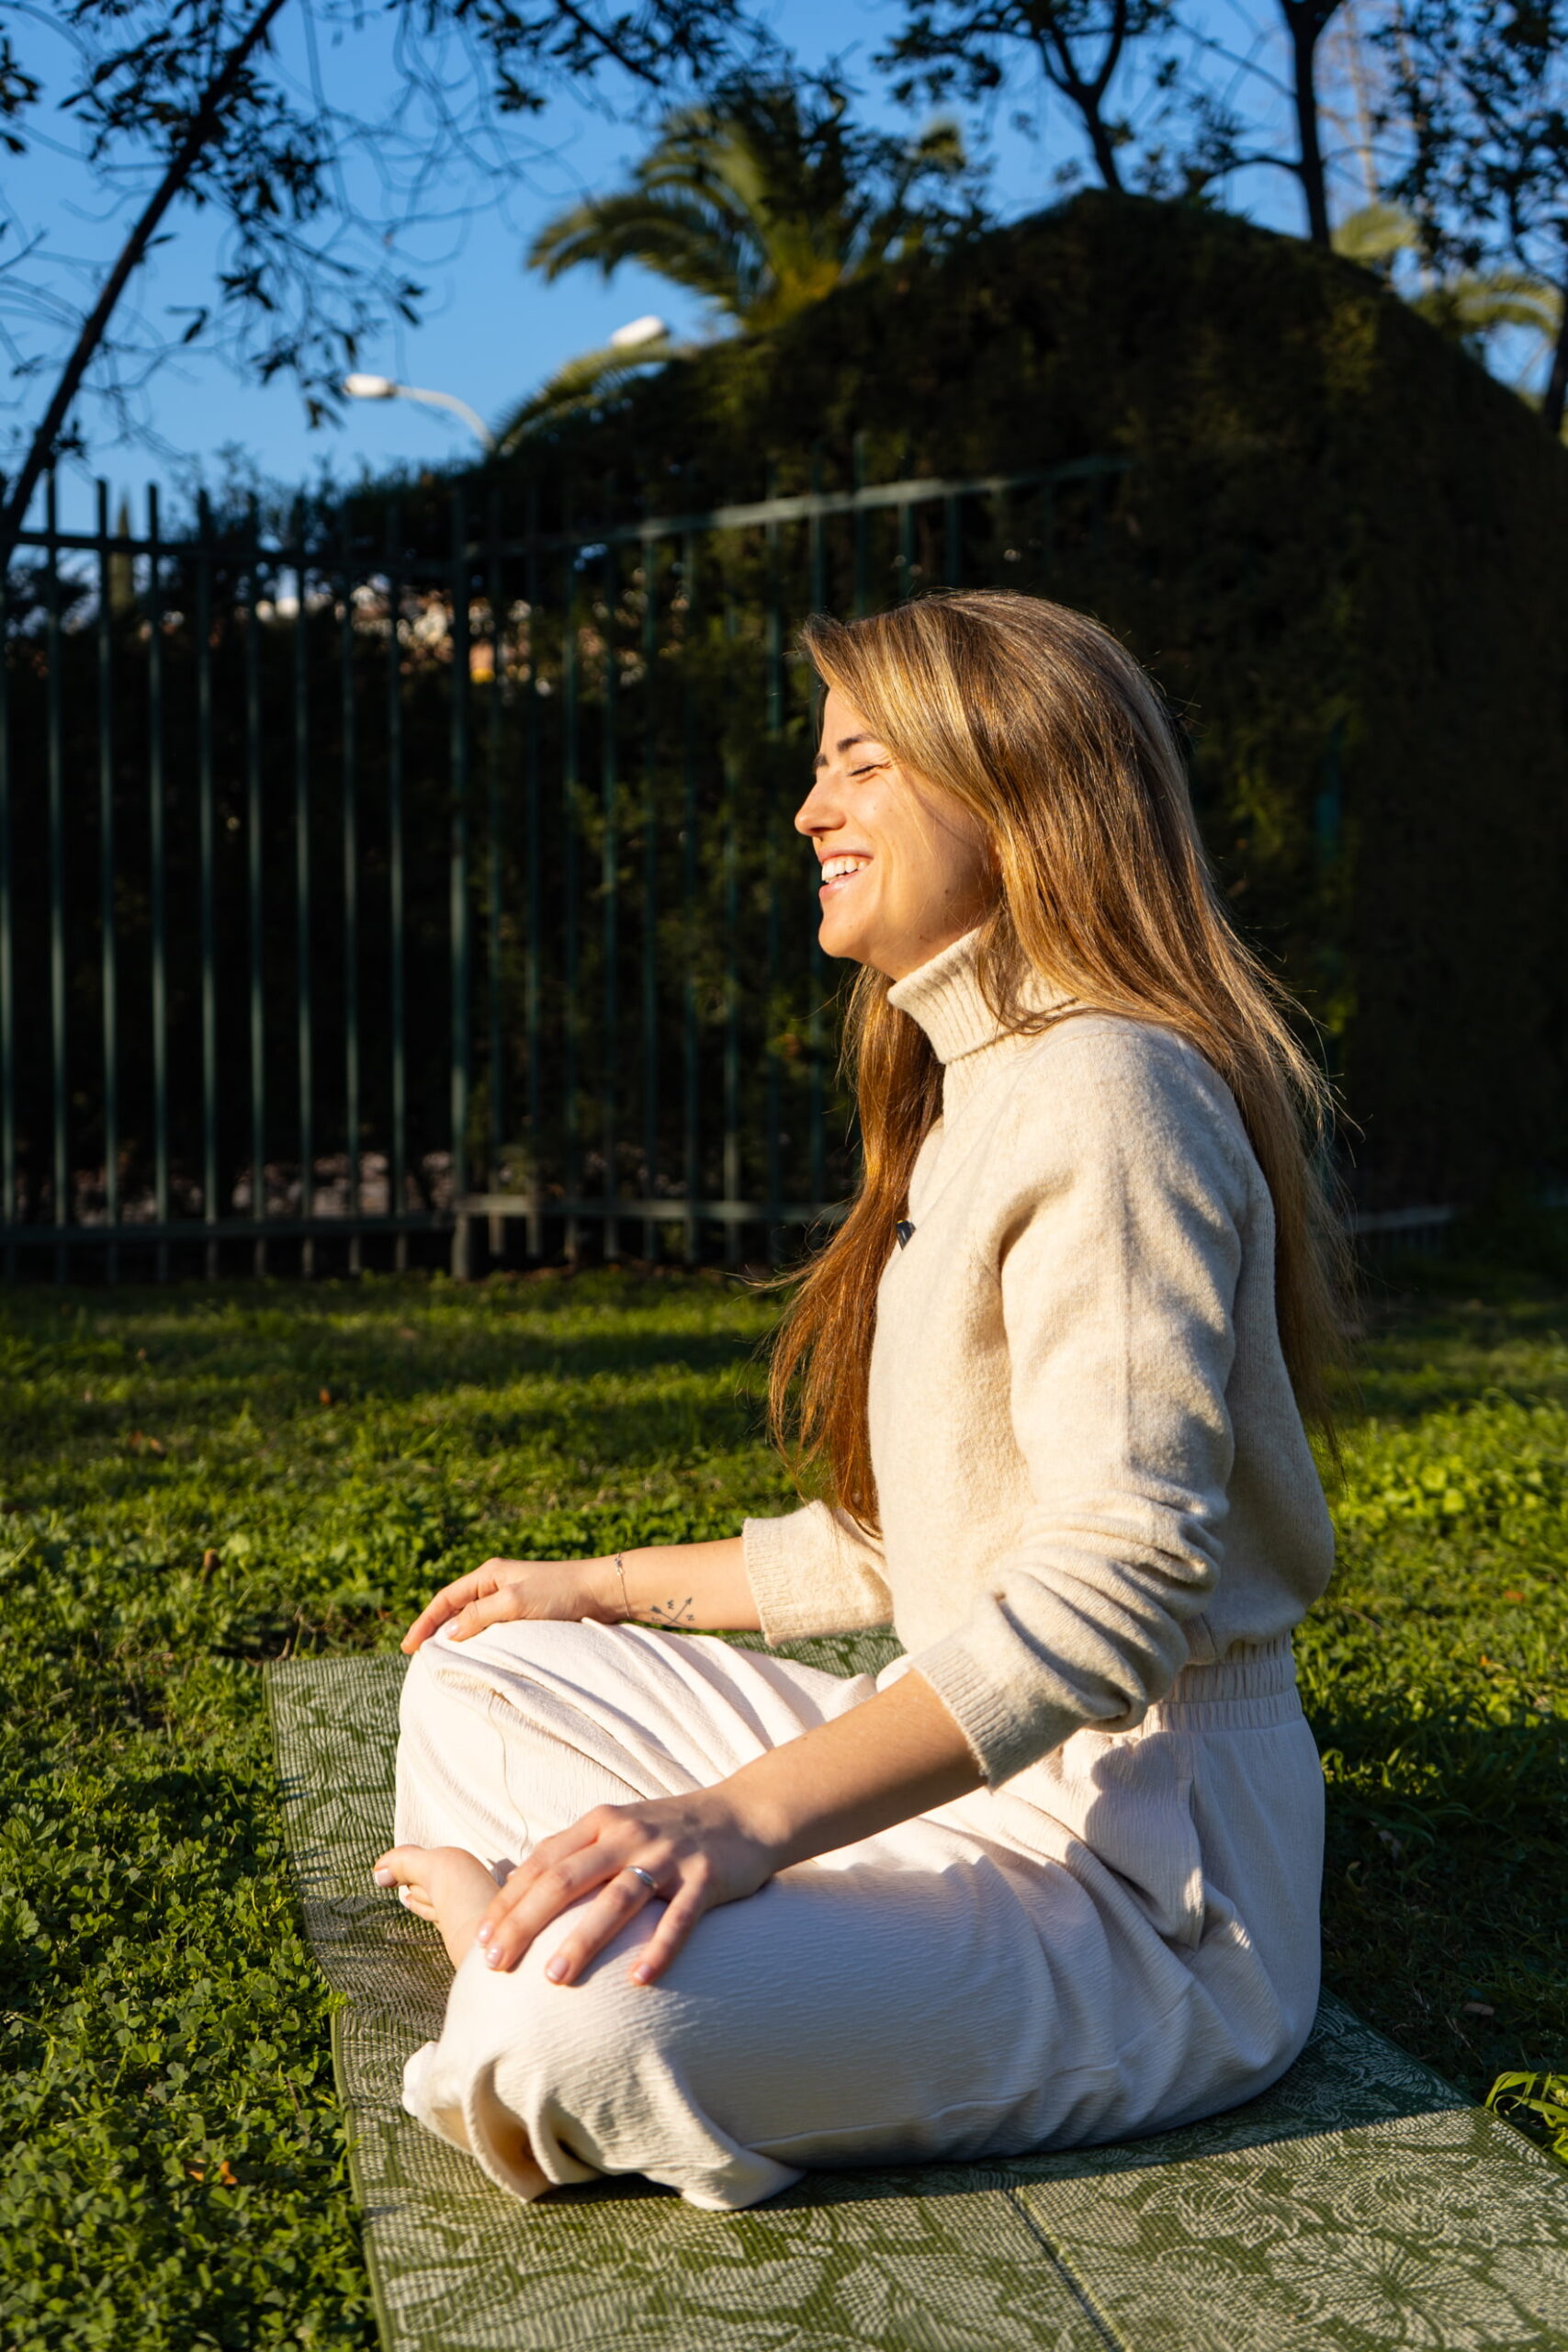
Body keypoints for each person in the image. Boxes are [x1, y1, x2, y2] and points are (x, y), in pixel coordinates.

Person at [375, 588, 1343, 2212]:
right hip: (975, 1765)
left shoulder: (1112, 1093)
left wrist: (741, 1826)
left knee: (576, 2023)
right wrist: (590, 1591)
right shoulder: (987, 1086)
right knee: (486, 1674)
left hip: (1141, 1889)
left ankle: (523, 1950)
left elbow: (1121, 1581)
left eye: (861, 763)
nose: (812, 809)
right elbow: (928, 1542)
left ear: (1018, 784)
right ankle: (655, 1921)